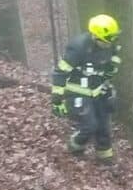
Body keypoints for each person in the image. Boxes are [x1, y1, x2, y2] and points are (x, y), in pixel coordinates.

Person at [52, 13, 121, 162]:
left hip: (98, 90)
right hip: (77, 92)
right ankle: (74, 147)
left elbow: (112, 61)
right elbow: (60, 72)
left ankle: (105, 158)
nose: (112, 42)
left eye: (114, 38)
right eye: (109, 39)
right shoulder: (78, 48)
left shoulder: (110, 45)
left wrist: (109, 76)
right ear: (96, 36)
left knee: (103, 127)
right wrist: (57, 99)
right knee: (90, 126)